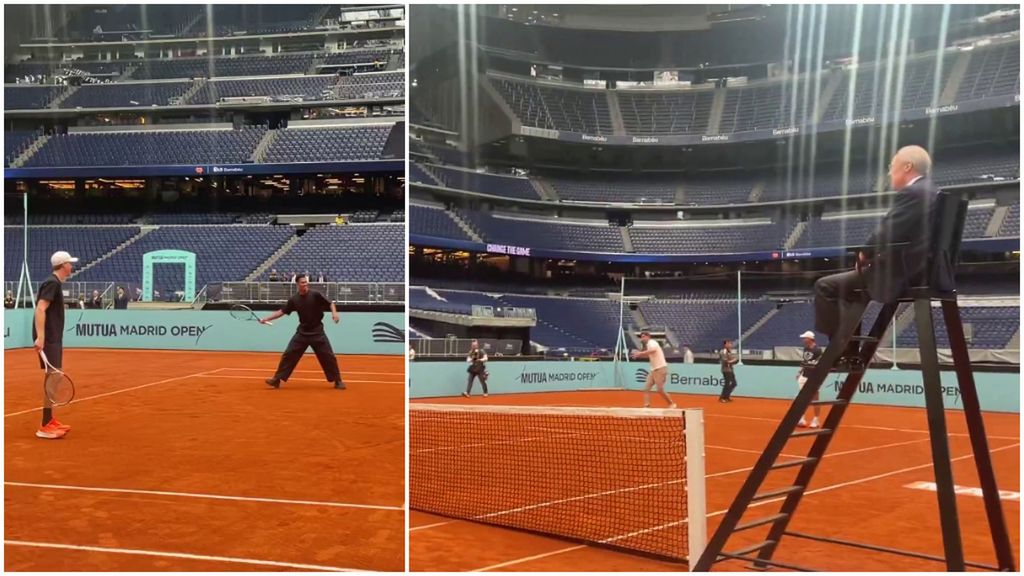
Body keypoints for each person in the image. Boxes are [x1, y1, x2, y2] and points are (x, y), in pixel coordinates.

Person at [814, 145, 942, 369]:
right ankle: (849, 351)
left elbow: (888, 231)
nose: (890, 172)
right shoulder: (934, 192)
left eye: (892, 167)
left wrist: (866, 252)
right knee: (851, 290)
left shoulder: (914, 193)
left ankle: (838, 349)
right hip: (924, 271)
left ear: (907, 167)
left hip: (902, 274)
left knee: (826, 286)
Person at [262, 275, 345, 390]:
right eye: (302, 282)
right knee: (288, 355)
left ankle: (338, 381)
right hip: (302, 333)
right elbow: (282, 311)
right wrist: (267, 319)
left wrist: (334, 314)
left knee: (328, 356)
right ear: (297, 284)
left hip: (317, 332)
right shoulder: (294, 299)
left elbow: (331, 303)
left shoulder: (315, 295)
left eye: (306, 282)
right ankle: (277, 380)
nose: (305, 284)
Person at [33, 251, 78, 439]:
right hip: (49, 337)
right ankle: (44, 426)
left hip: (52, 337)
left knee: (53, 375)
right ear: (63, 265)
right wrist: (41, 337)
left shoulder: (55, 283)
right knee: (55, 374)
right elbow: (40, 308)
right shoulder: (52, 283)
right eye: (70, 263)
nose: (72, 266)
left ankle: (48, 420)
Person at [631, 330, 676, 408]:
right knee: (646, 388)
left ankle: (671, 403)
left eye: (644, 336)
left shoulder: (652, 342)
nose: (642, 338)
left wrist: (641, 353)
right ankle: (647, 405)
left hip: (660, 368)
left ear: (648, 336)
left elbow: (653, 350)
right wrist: (639, 355)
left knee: (660, 389)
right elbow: (649, 355)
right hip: (653, 370)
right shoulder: (648, 345)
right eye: (641, 337)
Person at [797, 331, 824, 428]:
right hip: (804, 376)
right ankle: (802, 419)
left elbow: (818, 364)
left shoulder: (818, 350)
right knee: (802, 398)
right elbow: (804, 361)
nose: (803, 340)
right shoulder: (805, 349)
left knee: (815, 399)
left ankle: (816, 420)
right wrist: (799, 372)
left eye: (805, 338)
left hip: (814, 377)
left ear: (810, 339)